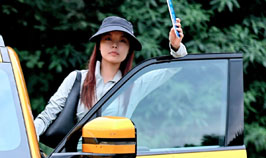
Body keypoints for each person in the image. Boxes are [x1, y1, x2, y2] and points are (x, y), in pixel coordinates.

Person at [33, 16, 186, 139]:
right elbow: (47, 116)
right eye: (108, 39)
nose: (115, 45)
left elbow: (175, 67)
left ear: (129, 50)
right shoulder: (77, 78)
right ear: (99, 45)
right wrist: (28, 143)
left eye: (122, 40)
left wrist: (175, 46)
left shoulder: (133, 83)